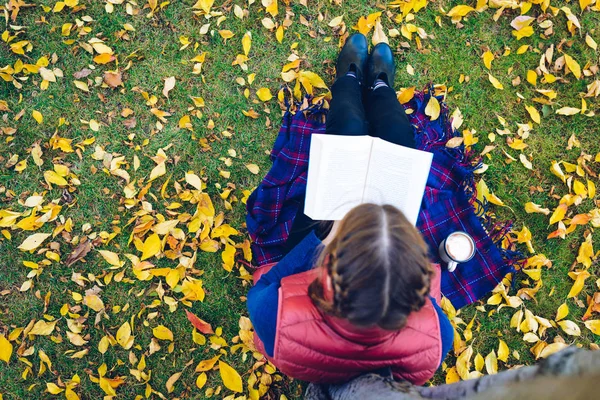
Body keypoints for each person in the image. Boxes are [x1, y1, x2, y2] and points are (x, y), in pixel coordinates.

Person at [246, 34, 453, 385]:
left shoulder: (274, 316)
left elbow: (265, 283)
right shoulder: (437, 339)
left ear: (329, 271)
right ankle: (379, 86)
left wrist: (321, 241)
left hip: (315, 246)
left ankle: (349, 79)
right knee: (398, 139)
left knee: (349, 132)